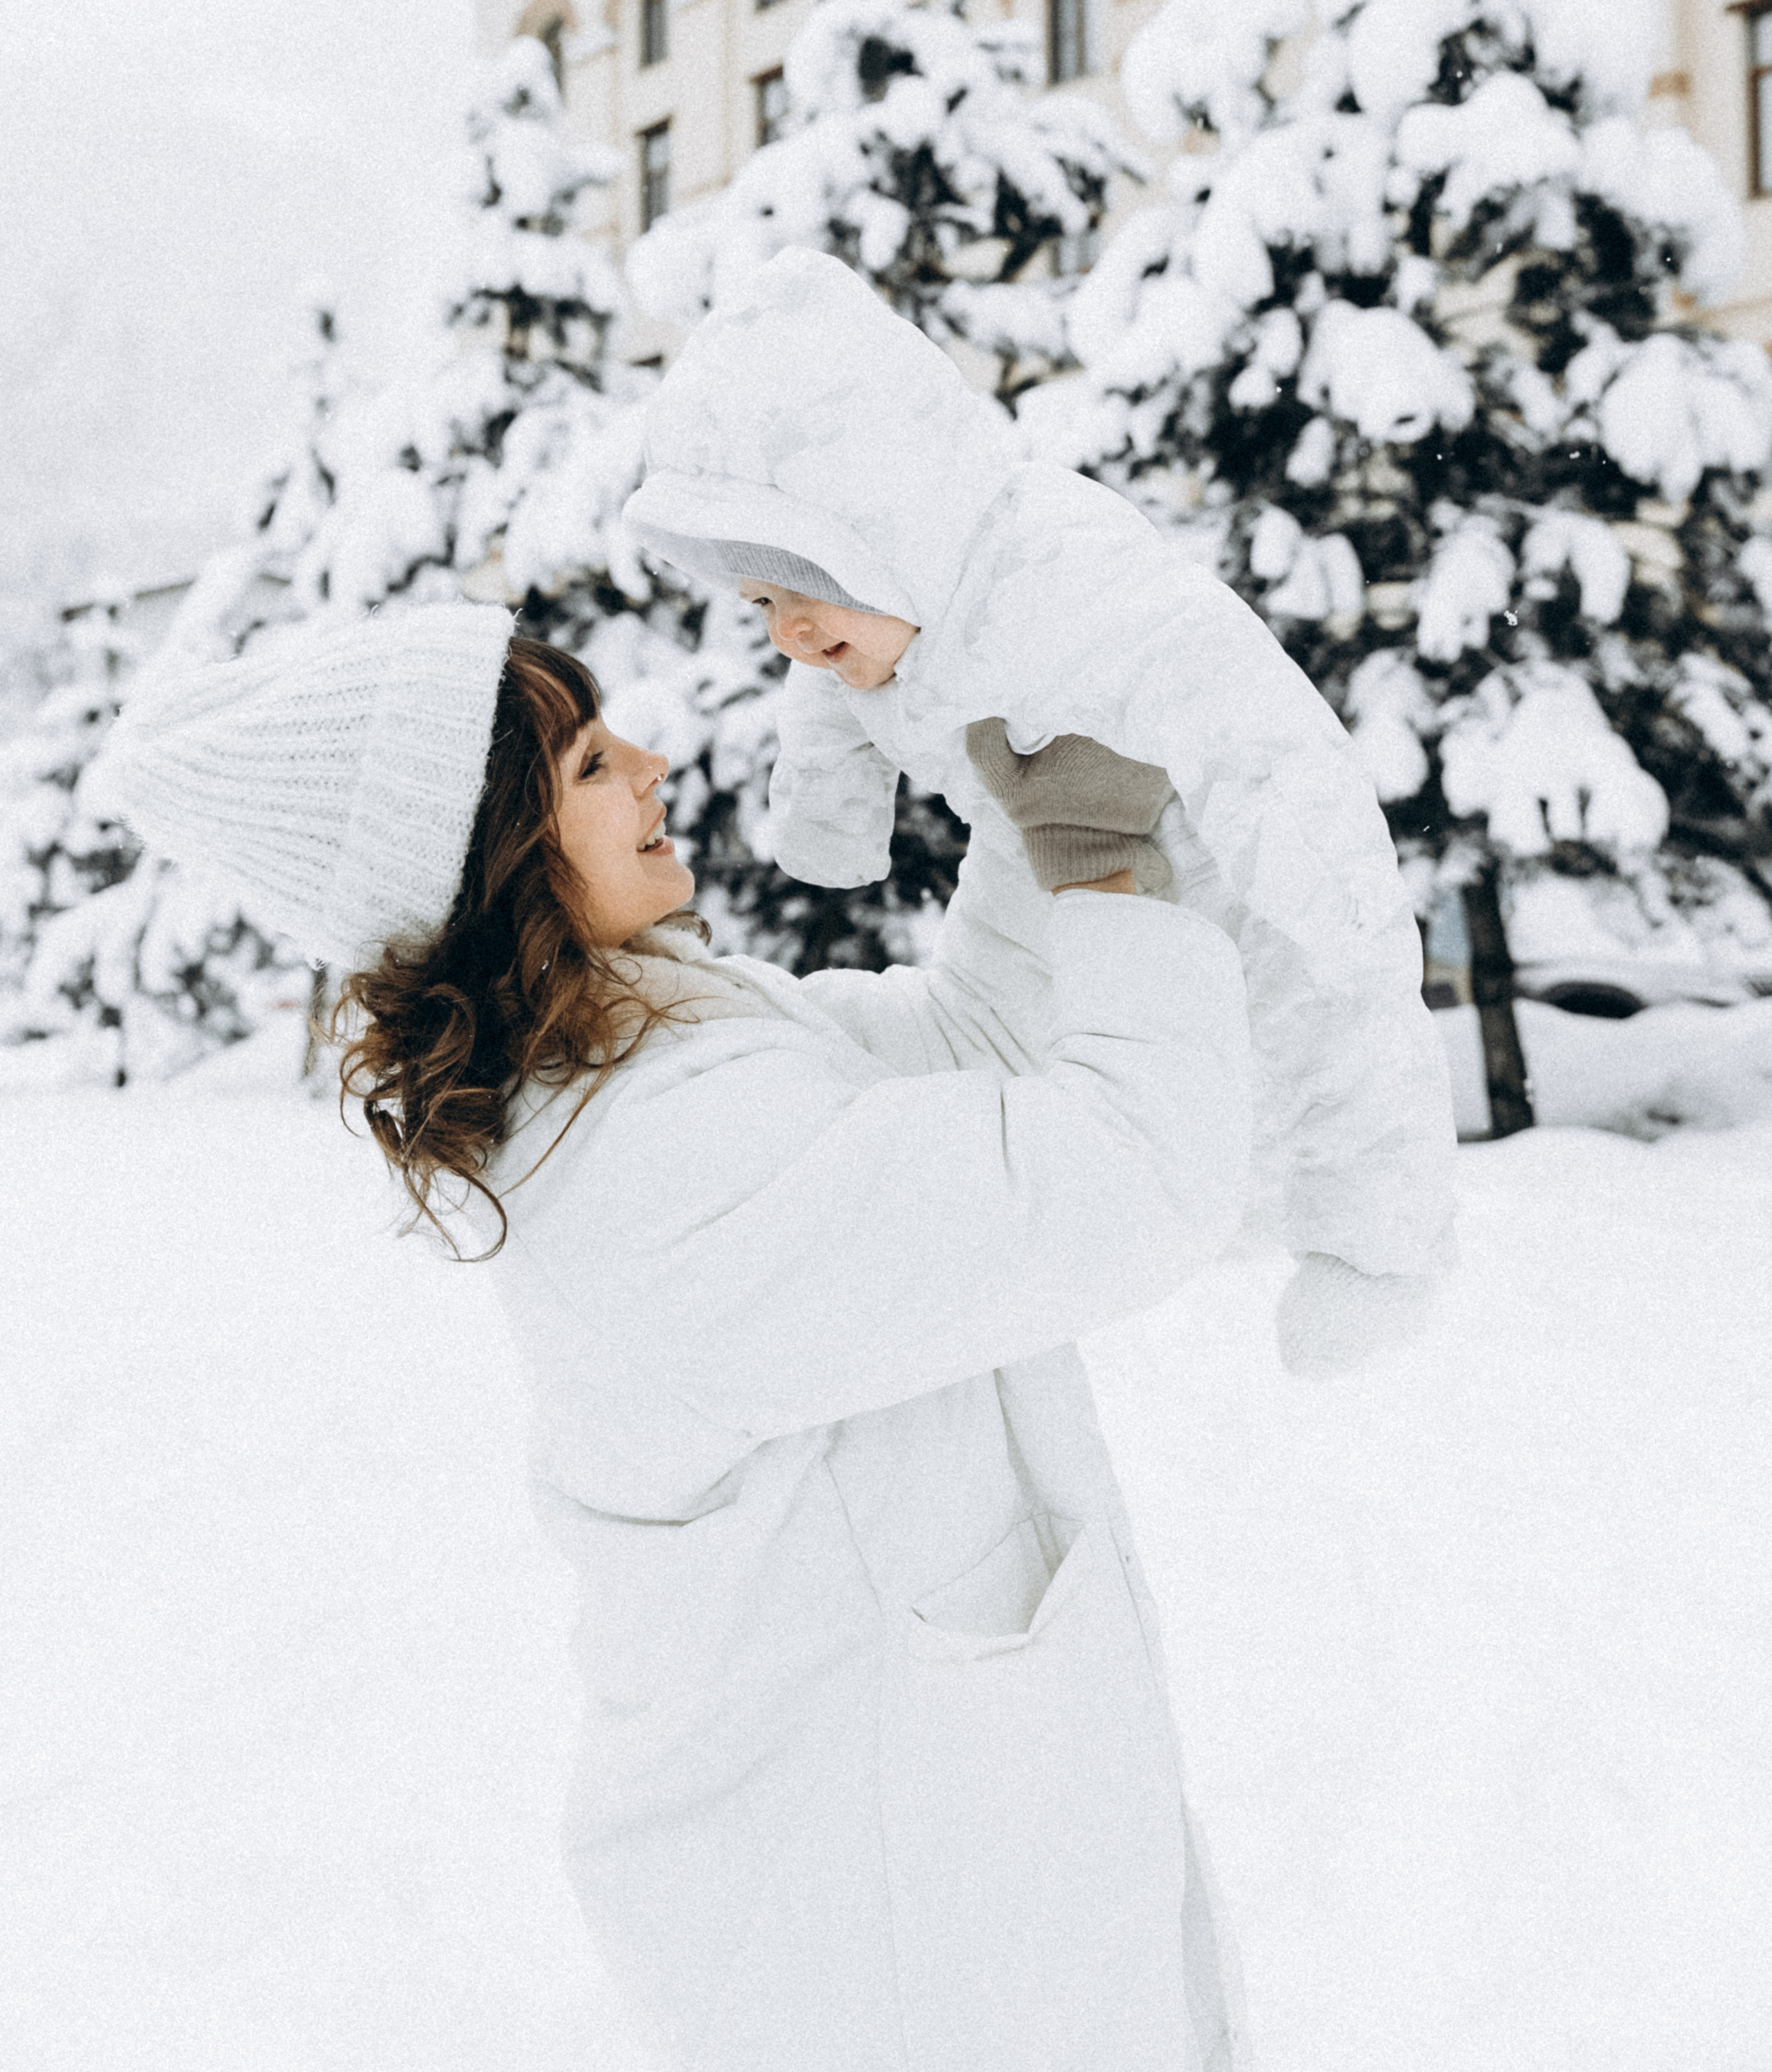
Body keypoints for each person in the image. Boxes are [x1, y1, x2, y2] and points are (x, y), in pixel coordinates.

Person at [93, 599, 1258, 2072]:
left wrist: (1024, 802)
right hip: (883, 1918)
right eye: (588, 765)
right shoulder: (654, 1157)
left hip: (927, 1833)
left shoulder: (670, 1039)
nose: (649, 763)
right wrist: (1090, 855)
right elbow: (1129, 1179)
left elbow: (967, 1045)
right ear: (498, 860)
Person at [624, 244, 1459, 1374]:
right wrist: (828, 823)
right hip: (1034, 850)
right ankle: (894, 1163)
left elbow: (1278, 765)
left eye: (806, 587)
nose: (787, 632)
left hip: (1210, 862)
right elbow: (825, 688)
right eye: (762, 599)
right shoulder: (871, 621)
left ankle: (1378, 1241)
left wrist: (1331, 907)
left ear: (893, 527)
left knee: (1312, 1008)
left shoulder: (1079, 588)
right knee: (990, 1039)